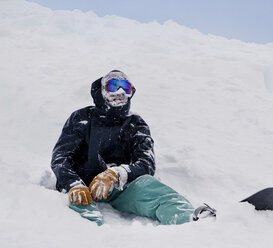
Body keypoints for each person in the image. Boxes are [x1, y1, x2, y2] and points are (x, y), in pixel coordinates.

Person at [51, 70, 216, 226]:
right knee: (84, 217)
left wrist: (117, 174)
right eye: (113, 86)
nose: (120, 92)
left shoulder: (135, 124)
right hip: (81, 187)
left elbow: (146, 164)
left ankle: (189, 220)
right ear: (102, 91)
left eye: (126, 88)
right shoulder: (81, 118)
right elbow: (61, 157)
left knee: (151, 187)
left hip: (118, 188)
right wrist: (73, 184)